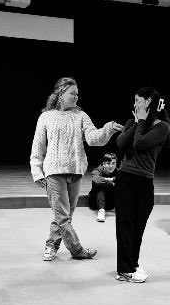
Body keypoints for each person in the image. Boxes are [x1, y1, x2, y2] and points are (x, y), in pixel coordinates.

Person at [30, 77, 122, 261]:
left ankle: (51, 245)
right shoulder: (46, 117)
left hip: (76, 172)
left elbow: (95, 138)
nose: (76, 97)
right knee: (63, 217)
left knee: (64, 215)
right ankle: (77, 250)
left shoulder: (81, 116)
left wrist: (108, 129)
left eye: (77, 94)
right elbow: (38, 146)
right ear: (61, 94)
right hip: (54, 172)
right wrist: (37, 172)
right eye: (72, 93)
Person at [114, 87, 170, 282]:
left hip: (145, 181)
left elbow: (141, 143)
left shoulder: (162, 127)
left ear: (148, 102)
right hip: (125, 179)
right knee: (124, 224)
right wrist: (137, 122)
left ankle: (132, 264)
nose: (135, 104)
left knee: (138, 227)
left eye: (138, 100)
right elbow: (121, 144)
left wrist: (141, 123)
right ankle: (124, 269)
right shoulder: (132, 122)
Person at [87, 152, 118, 222]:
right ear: (103, 164)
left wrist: (109, 180)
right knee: (101, 186)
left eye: (113, 163)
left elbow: (122, 181)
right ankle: (101, 212)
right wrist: (112, 181)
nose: (111, 166)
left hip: (110, 204)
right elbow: (96, 180)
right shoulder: (98, 170)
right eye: (108, 163)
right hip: (95, 203)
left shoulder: (117, 171)